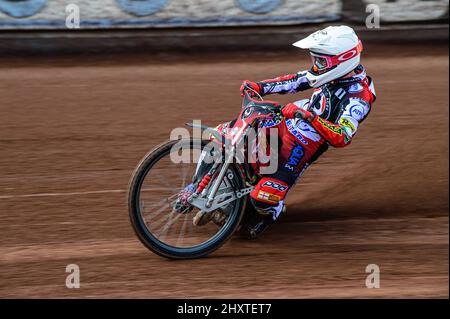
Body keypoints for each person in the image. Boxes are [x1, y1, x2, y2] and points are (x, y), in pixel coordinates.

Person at [237, 25, 377, 238]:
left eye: (321, 61)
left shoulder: (358, 98)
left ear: (342, 60)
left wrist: (310, 117)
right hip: (287, 120)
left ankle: (271, 210)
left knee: (262, 199)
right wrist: (259, 86)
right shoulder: (328, 74)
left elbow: (342, 136)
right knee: (233, 138)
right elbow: (298, 80)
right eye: (315, 59)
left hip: (304, 145)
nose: (315, 66)